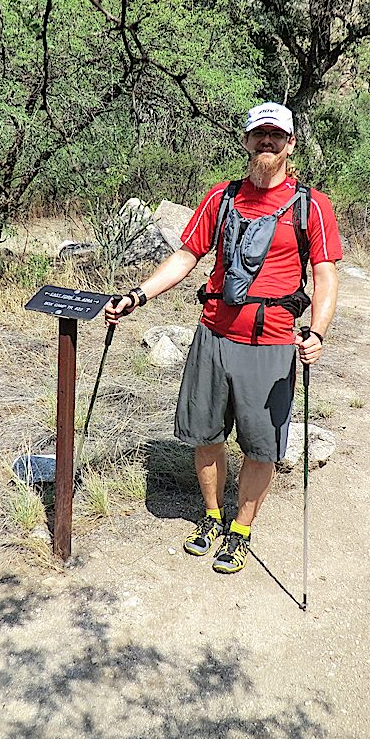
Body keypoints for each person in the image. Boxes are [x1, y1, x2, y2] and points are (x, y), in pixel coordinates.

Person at [105, 102, 342, 575]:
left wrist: (317, 331)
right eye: (259, 135)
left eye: (277, 136)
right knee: (206, 435)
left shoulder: (311, 205)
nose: (267, 144)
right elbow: (186, 255)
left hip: (272, 344)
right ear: (246, 141)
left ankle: (242, 528)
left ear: (291, 144)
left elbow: (325, 274)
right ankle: (212, 516)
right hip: (213, 335)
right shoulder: (222, 198)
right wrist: (139, 295)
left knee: (261, 446)